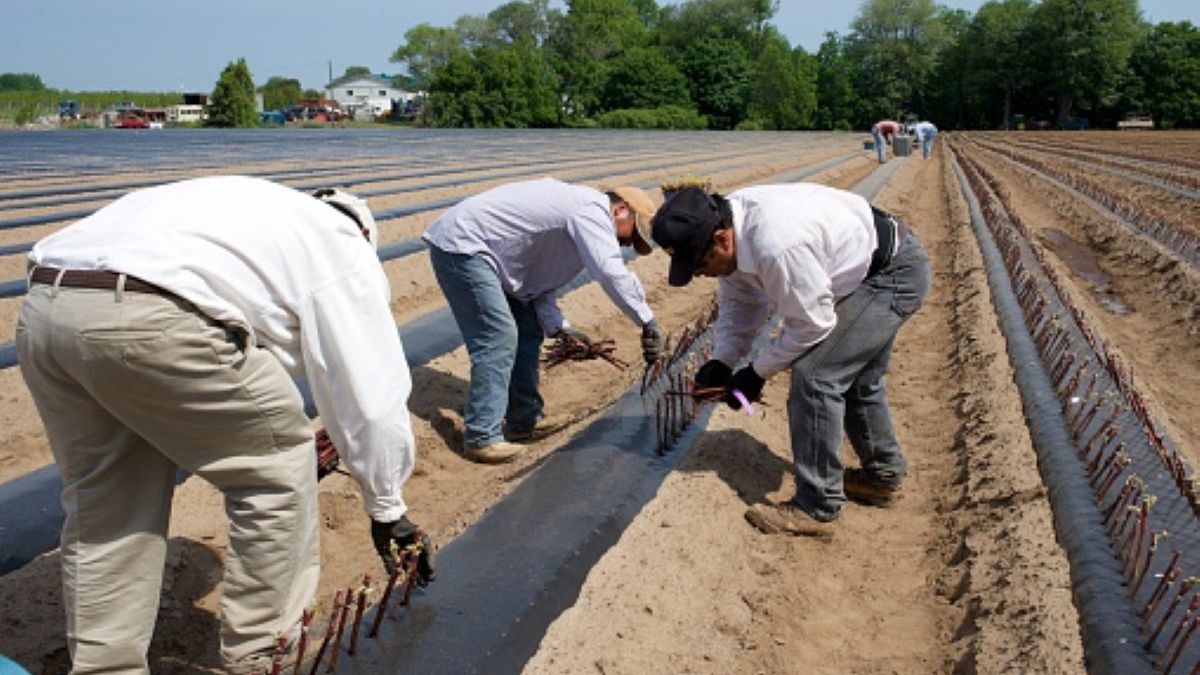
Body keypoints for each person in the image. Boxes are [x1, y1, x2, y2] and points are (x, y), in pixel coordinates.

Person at [16, 176, 432, 674]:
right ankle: (262, 657)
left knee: (107, 500)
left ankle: (104, 668)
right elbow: (371, 395)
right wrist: (387, 507)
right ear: (364, 234)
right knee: (276, 471)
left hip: (46, 307)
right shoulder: (342, 246)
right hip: (155, 315)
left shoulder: (248, 208)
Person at [651, 185, 931, 537]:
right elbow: (742, 305)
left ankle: (818, 507)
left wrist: (756, 373)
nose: (699, 273)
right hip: (865, 264)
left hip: (889, 275)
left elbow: (812, 323)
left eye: (700, 264)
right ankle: (882, 477)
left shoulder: (776, 244)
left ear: (722, 239)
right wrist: (722, 361)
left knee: (816, 376)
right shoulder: (730, 230)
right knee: (857, 379)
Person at [423, 177, 663, 464]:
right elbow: (610, 272)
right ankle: (481, 436)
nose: (627, 244)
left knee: (528, 330)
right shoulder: (591, 211)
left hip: (493, 257)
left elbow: (538, 285)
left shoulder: (579, 231)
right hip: (463, 246)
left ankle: (524, 421)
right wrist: (647, 321)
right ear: (621, 209)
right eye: (632, 234)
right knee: (498, 336)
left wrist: (561, 329)